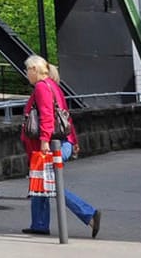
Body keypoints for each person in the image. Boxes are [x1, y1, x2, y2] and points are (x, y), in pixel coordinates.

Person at [22, 55, 99, 237]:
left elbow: (48, 116)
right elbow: (65, 116)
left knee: (51, 183)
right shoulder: (52, 85)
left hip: (52, 143)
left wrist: (44, 141)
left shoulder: (41, 87)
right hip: (62, 141)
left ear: (34, 70)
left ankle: (89, 213)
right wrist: (74, 140)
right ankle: (39, 224)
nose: (26, 74)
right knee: (41, 181)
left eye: (27, 70)